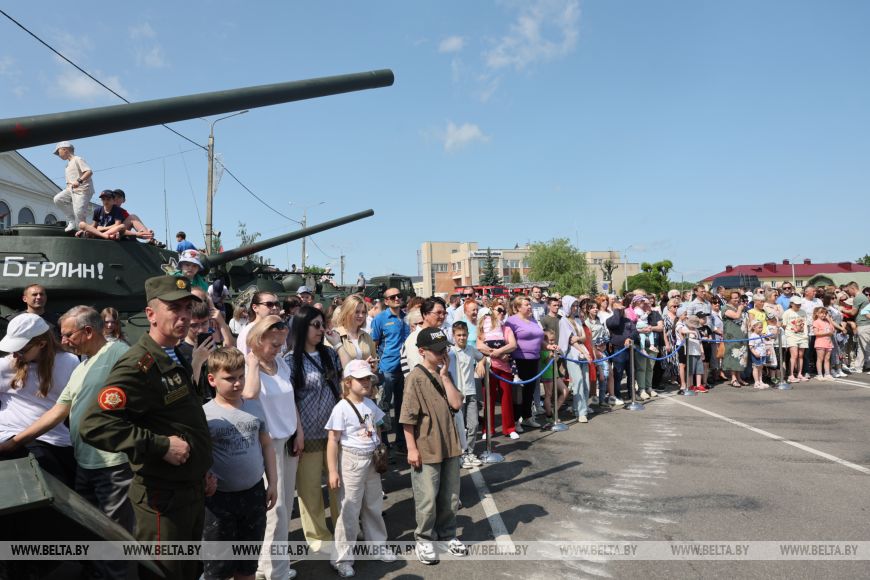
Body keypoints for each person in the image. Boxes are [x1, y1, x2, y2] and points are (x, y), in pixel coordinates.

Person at [79, 276, 214, 580]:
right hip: (163, 500)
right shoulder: (138, 363)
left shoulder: (174, 353)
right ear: (151, 314)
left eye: (187, 308)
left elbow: (182, 417)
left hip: (189, 490)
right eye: (174, 308)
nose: (184, 316)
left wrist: (202, 468)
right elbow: (95, 424)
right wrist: (161, 446)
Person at [0, 307, 133, 579]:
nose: (15, 356)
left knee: (106, 529)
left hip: (93, 457)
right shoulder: (79, 366)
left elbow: (61, 411)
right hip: (68, 454)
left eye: (68, 334)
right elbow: (60, 410)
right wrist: (13, 442)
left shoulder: (102, 358)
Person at [203, 347, 277, 580]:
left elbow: (267, 445)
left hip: (253, 495)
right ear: (212, 379)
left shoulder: (254, 406)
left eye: (241, 376)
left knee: (247, 565)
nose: (237, 383)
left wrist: (273, 483)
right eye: (229, 378)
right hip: (219, 501)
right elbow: (200, 456)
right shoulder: (205, 414)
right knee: (218, 568)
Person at [399, 327, 467, 565]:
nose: (442, 355)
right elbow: (407, 419)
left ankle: (447, 535)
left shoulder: (444, 373)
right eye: (437, 351)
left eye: (444, 350)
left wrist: (446, 376)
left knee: (450, 496)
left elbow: (456, 404)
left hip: (449, 444)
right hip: (426, 446)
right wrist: (411, 448)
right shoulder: (414, 378)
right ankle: (425, 539)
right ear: (422, 351)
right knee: (427, 498)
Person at [242, 316, 302, 580]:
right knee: (275, 510)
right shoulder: (248, 364)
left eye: (281, 344)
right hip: (267, 444)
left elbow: (290, 399)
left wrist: (299, 431)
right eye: (274, 344)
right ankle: (275, 570)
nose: (278, 349)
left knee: (285, 506)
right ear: (257, 339)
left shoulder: (281, 363)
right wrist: (253, 364)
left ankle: (268, 565)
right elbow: (249, 395)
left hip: (287, 440)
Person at [326, 359, 395, 577]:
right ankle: (342, 558)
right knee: (349, 510)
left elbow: (378, 427)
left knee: (373, 505)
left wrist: (379, 448)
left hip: (371, 460)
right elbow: (332, 441)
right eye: (360, 379)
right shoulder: (341, 408)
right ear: (348, 382)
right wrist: (333, 471)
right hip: (351, 461)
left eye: (368, 378)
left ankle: (378, 546)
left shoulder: (370, 404)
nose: (366, 382)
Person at [285, 306, 342, 553]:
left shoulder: (330, 354)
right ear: (302, 327)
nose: (321, 330)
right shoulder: (290, 360)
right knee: (309, 492)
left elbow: (345, 382)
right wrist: (298, 432)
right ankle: (319, 537)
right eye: (316, 325)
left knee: (339, 487)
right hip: (307, 435)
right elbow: (290, 400)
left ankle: (344, 530)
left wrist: (338, 345)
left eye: (323, 325)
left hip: (334, 433)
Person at [0, 314, 78, 486]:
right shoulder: (5, 365)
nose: (15, 355)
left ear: (41, 344)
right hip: (13, 437)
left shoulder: (69, 362)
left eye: (21, 350)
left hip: (58, 441)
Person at [371, 288, 410, 451]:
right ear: (386, 301)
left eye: (399, 296)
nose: (397, 299)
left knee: (403, 407)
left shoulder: (407, 318)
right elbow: (374, 344)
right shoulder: (380, 319)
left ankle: (401, 442)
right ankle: (385, 444)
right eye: (392, 297)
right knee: (384, 408)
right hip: (387, 370)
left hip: (405, 370)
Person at [505, 295, 548, 432]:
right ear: (518, 307)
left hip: (534, 359)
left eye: (530, 305)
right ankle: (516, 420)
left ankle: (527, 417)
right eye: (526, 305)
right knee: (519, 392)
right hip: (518, 360)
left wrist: (548, 346)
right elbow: (507, 340)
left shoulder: (533, 320)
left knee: (530, 390)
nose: (530, 307)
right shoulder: (511, 321)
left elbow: (539, 339)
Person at [476, 305, 519, 439]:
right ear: (491, 312)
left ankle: (510, 428)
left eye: (504, 311)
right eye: (499, 310)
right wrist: (499, 354)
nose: (502, 313)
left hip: (505, 368)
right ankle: (488, 429)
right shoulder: (484, 327)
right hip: (490, 367)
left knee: (507, 398)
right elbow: (480, 346)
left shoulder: (506, 328)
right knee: (489, 399)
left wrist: (499, 351)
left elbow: (513, 345)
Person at [448, 321, 484, 468]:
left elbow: (482, 357)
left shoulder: (471, 349)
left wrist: (481, 363)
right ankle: (460, 453)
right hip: (457, 394)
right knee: (459, 426)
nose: (461, 337)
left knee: (473, 424)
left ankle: (469, 451)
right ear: (453, 336)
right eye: (459, 335)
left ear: (468, 335)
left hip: (471, 392)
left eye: (464, 335)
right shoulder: (450, 352)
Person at [177, 300, 219, 402]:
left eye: (204, 323)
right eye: (194, 325)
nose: (200, 330)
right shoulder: (179, 352)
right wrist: (197, 361)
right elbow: (185, 389)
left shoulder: (214, 347)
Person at [558, 297, 592, 421]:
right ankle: (580, 412)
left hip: (583, 352)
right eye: (573, 305)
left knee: (586, 382)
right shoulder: (563, 321)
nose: (575, 308)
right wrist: (584, 351)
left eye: (577, 305)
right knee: (578, 382)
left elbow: (583, 337)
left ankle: (582, 408)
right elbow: (571, 341)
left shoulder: (577, 319)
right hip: (572, 354)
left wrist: (579, 340)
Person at [52, 141, 94, 232]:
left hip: (83, 190)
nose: (58, 155)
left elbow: (89, 172)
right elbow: (69, 182)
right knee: (58, 199)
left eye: (58, 152)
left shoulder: (77, 159)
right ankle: (72, 220)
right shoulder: (67, 166)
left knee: (79, 212)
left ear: (65, 150)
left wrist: (79, 181)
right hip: (71, 190)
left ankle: (81, 231)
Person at [722, 290, 749, 387]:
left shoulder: (738, 307)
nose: (737, 300)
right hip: (731, 336)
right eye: (735, 298)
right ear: (729, 298)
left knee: (741, 356)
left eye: (738, 297)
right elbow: (736, 316)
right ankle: (733, 378)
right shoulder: (725, 308)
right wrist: (740, 308)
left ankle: (739, 377)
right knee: (733, 355)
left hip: (741, 336)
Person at [782, 296, 809, 383]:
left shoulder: (803, 312)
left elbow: (805, 324)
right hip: (791, 336)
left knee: (801, 356)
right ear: (791, 304)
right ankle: (791, 375)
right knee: (794, 355)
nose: (798, 305)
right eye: (796, 304)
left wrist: (805, 334)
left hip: (803, 336)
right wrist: (791, 332)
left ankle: (799, 374)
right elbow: (784, 325)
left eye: (799, 304)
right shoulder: (787, 313)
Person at [800, 286, 824, 378]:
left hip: (819, 330)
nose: (815, 293)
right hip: (808, 330)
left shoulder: (818, 301)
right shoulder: (802, 302)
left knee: (818, 351)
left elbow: (823, 313)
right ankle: (806, 370)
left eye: (815, 291)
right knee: (807, 352)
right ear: (806, 292)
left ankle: (818, 370)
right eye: (813, 291)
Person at [812, 307, 835, 381]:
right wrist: (826, 333)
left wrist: (829, 320)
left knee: (827, 359)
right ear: (817, 314)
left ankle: (827, 374)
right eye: (822, 313)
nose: (824, 315)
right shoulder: (816, 322)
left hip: (828, 343)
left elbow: (833, 330)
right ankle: (819, 374)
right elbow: (816, 333)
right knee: (820, 359)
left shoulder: (827, 322)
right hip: (820, 343)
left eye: (825, 313)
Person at [748, 318, 769, 389]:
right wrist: (755, 353)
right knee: (756, 368)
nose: (761, 329)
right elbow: (751, 346)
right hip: (757, 354)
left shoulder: (761, 335)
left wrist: (767, 350)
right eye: (759, 327)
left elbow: (764, 343)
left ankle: (760, 381)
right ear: (754, 327)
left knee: (761, 367)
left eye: (762, 327)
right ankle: (756, 382)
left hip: (762, 354)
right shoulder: (753, 336)